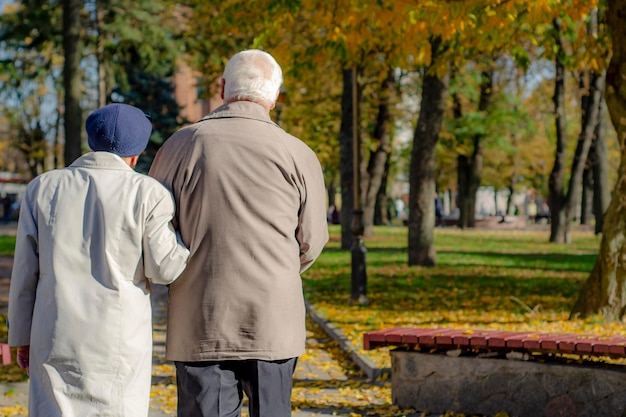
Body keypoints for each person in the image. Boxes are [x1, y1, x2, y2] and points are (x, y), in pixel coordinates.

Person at [149, 49, 329, 417]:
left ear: (222, 88)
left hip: (202, 315)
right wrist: (277, 269)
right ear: (275, 97)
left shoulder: (182, 145)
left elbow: (152, 226)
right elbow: (313, 238)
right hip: (273, 318)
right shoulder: (297, 153)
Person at [8, 103, 190, 417]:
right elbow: (164, 269)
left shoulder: (43, 187)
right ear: (136, 153)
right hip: (119, 337)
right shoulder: (147, 193)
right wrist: (188, 246)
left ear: (93, 140)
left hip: (53, 332)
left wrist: (21, 338)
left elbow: (25, 272)